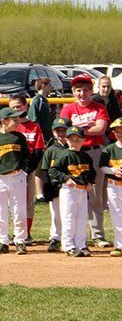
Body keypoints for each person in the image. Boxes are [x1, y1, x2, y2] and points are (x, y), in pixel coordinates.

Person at [59, 74, 111, 248]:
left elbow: (100, 128)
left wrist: (77, 131)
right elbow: (64, 130)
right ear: (74, 92)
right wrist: (86, 127)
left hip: (94, 152)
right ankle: (74, 236)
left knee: (95, 194)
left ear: (91, 91)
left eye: (86, 90)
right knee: (74, 192)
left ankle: (98, 235)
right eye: (78, 90)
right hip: (74, 154)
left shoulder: (98, 107)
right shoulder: (68, 108)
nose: (82, 93)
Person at [0, 108, 33, 254]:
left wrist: (23, 170)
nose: (18, 122)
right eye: (14, 120)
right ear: (4, 121)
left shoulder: (19, 137)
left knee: (19, 210)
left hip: (17, 176)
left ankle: (20, 240)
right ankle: (2, 241)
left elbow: (26, 156)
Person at [49, 126, 95, 257]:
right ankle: (68, 245)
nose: (74, 142)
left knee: (81, 218)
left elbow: (92, 172)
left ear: (83, 140)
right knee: (69, 217)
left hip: (82, 191)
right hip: (68, 190)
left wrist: (90, 182)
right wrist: (66, 178)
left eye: (77, 139)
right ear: (67, 141)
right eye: (71, 139)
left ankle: (81, 244)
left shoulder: (85, 156)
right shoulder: (64, 154)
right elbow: (53, 170)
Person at [8, 93, 45, 238]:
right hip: (12, 169)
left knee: (28, 202)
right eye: (13, 107)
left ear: (26, 106)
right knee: (12, 203)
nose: (16, 109)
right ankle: (15, 232)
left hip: (28, 169)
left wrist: (28, 170)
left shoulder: (34, 127)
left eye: (19, 106)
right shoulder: (10, 127)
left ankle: (26, 233)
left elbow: (38, 151)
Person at [40, 119, 72, 253]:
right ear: (53, 132)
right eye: (58, 130)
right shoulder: (51, 149)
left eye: (64, 130)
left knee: (70, 215)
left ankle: (70, 238)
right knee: (56, 214)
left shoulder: (74, 148)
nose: (61, 133)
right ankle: (55, 238)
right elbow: (44, 171)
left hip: (72, 188)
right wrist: (45, 189)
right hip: (55, 187)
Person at [99, 119, 122, 256]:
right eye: (117, 131)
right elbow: (102, 167)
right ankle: (119, 245)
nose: (120, 134)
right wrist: (113, 170)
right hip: (114, 186)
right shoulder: (109, 149)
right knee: (117, 215)